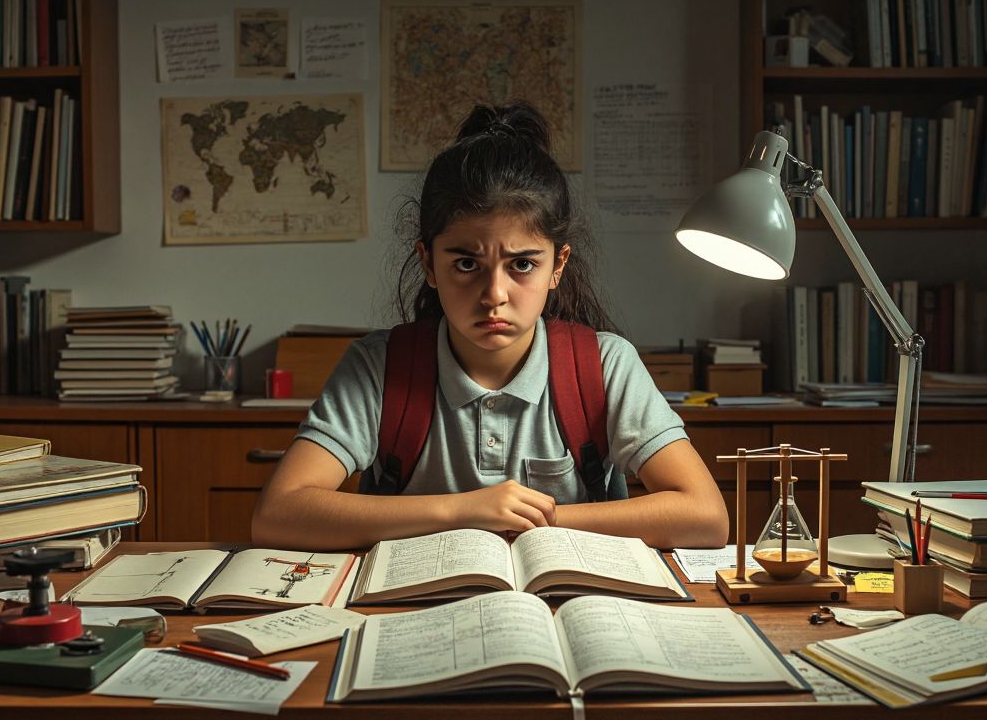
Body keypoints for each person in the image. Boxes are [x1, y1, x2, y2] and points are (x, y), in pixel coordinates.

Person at [251, 101, 728, 551]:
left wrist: (536, 517)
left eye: (522, 264)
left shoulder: (604, 365)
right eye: (465, 264)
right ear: (429, 264)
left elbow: (705, 516)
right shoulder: (378, 366)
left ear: (557, 266)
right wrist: (461, 511)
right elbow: (278, 514)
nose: (494, 294)